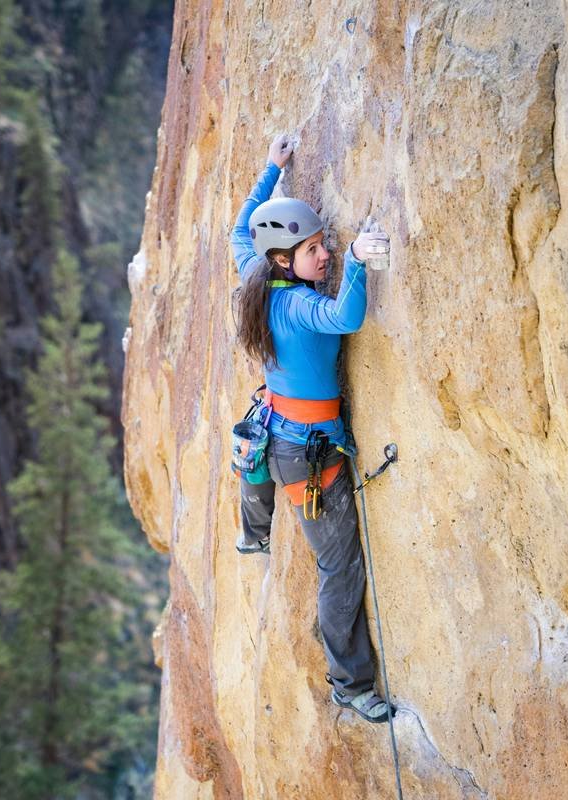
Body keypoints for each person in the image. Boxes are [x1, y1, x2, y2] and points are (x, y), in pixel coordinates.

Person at [229, 133, 393, 724]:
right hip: (307, 454)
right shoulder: (298, 306)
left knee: (329, 554)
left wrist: (271, 171)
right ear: (283, 261)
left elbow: (239, 229)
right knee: (339, 563)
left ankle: (254, 530)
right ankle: (350, 682)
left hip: (280, 434)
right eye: (312, 249)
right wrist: (356, 265)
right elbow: (346, 315)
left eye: (324, 246)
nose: (323, 254)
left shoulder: (255, 277)